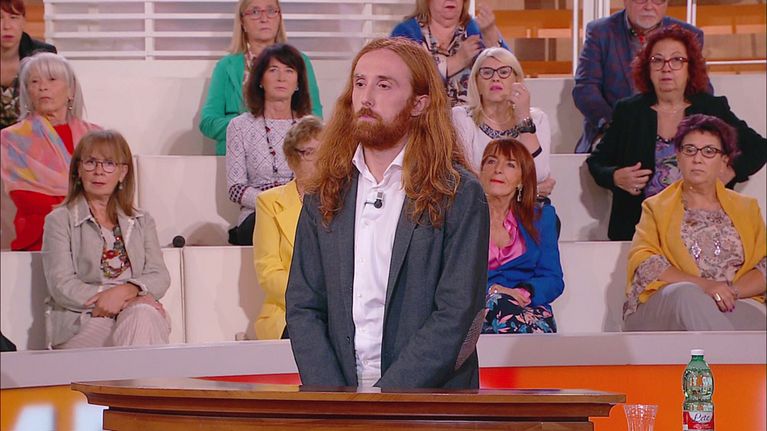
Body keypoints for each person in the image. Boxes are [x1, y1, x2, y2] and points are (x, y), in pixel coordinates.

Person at [285, 37, 489, 389]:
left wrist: (386, 398)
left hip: (425, 399)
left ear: (419, 103)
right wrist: (333, 399)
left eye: (384, 85)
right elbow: (303, 305)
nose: (366, 97)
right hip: (337, 398)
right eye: (360, 83)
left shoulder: (459, 194)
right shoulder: (325, 191)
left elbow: (457, 313)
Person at [586, 25, 766, 241]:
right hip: (641, 229)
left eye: (677, 60)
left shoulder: (711, 108)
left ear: (690, 68)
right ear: (647, 67)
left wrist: (729, 171)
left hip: (705, 228)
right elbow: (597, 162)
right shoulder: (629, 111)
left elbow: (759, 148)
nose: (666, 68)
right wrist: (615, 176)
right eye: (657, 60)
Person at [624, 114, 766, 331]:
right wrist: (707, 286)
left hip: (733, 302)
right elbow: (646, 264)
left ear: (724, 161)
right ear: (678, 157)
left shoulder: (747, 208)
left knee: (756, 319)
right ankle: (724, 352)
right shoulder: (656, 207)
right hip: (666, 306)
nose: (697, 159)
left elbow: (763, 266)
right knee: (687, 295)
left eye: (709, 151)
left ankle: (720, 349)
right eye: (689, 150)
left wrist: (729, 292)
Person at [42, 130, 171, 349]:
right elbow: (62, 285)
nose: (99, 171)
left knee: (142, 316)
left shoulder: (141, 221)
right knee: (141, 321)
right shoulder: (60, 220)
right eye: (91, 162)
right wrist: (110, 298)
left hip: (136, 309)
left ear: (123, 172)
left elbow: (159, 275)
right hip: (84, 319)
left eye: (109, 163)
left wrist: (127, 292)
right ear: (78, 170)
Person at [572, 0, 705, 153]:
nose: (649, 6)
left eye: (657, 0)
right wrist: (613, 125)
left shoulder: (688, 35)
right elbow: (585, 89)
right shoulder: (601, 32)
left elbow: (700, 88)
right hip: (614, 129)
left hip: (673, 130)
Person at [1, 52, 100, 251]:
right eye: (34, 81)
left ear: (71, 90)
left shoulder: (96, 136)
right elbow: (23, 195)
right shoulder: (13, 138)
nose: (42, 87)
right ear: (27, 92)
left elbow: (110, 191)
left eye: (52, 79)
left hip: (95, 232)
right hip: (40, 234)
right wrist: (77, 209)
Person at [199, 0, 322, 155]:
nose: (264, 18)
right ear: (242, 22)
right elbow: (208, 123)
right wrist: (251, 127)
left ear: (279, 17)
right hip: (236, 155)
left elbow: (314, 117)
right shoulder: (226, 67)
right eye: (255, 12)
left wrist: (278, 129)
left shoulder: (299, 61)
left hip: (288, 155)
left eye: (271, 11)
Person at [226, 43, 312, 245]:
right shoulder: (239, 126)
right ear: (260, 80)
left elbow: (318, 182)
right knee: (275, 224)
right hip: (258, 214)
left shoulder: (310, 128)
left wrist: (293, 204)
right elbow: (236, 189)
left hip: (301, 211)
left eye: (289, 71)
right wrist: (275, 203)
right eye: (273, 70)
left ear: (298, 82)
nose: (281, 78)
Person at [479, 139, 563, 334]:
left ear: (522, 179)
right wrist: (493, 291)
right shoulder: (462, 219)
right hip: (476, 308)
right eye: (491, 161)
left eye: (510, 165)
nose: (498, 170)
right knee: (499, 304)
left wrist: (522, 293)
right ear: (481, 172)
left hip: (527, 306)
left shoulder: (542, 218)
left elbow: (552, 279)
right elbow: (452, 278)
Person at [452, 47, 556, 198]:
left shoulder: (537, 119)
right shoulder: (462, 117)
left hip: (523, 209)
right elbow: (466, 177)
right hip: (477, 205)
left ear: (516, 80)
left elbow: (538, 174)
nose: (495, 78)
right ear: (476, 82)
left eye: (504, 72)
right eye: (487, 72)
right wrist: (526, 191)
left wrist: (524, 117)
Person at [253, 115, 322, 340]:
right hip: (290, 310)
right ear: (293, 159)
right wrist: (313, 298)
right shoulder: (270, 203)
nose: (319, 160)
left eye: (324, 151)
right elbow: (268, 272)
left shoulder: (344, 202)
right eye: (310, 152)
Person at [391, 0, 509, 107]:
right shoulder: (406, 33)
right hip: (422, 121)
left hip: (473, 121)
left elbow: (509, 77)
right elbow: (401, 83)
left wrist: (491, 36)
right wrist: (456, 61)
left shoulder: (477, 30)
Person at [1, 0, 56, 129]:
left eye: (14, 17)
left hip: (32, 135)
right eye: (0, 18)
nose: (7, 26)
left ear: (23, 21)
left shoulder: (43, 54)